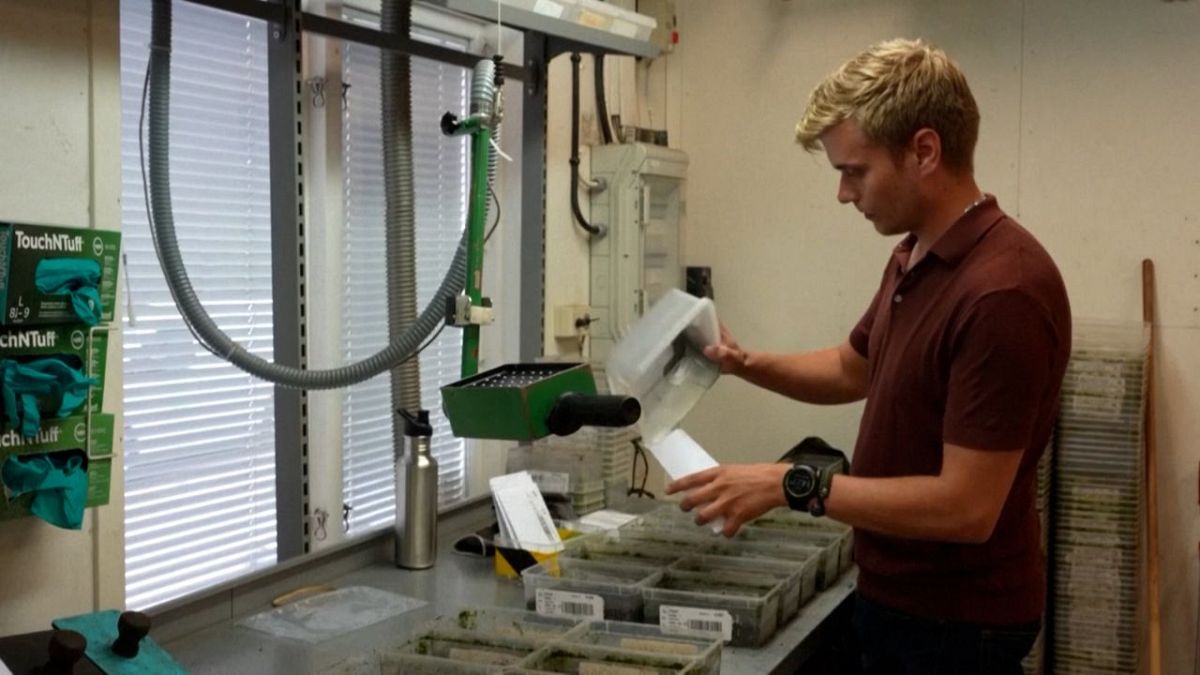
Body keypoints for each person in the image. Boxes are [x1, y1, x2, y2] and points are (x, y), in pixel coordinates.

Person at [665, 38, 1071, 674]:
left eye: (855, 171)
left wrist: (791, 483)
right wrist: (745, 363)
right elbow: (856, 367)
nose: (844, 195)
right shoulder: (915, 256)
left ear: (925, 151)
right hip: (898, 601)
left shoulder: (1003, 291)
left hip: (957, 626)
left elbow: (966, 507)